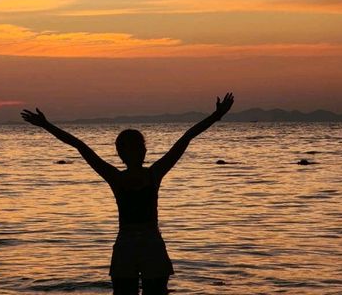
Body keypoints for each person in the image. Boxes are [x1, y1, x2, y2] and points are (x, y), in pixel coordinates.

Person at [21, 92, 234, 295]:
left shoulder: (119, 177)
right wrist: (216, 115)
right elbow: (186, 138)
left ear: (120, 153)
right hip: (147, 243)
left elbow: (79, 145)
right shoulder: (151, 174)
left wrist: (47, 125)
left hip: (130, 244)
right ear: (143, 151)